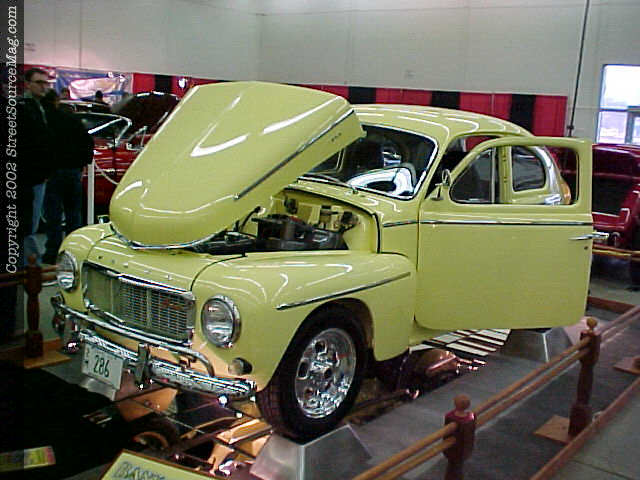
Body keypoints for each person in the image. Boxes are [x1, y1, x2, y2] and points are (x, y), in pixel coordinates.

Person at [41, 90, 94, 265]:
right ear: (57, 101)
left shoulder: (44, 120)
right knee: (73, 214)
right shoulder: (72, 119)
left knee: (53, 215)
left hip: (52, 172)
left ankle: (52, 251)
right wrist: (84, 163)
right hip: (73, 171)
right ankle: (73, 251)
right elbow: (88, 142)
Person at [22, 68, 52, 265]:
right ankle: (31, 266)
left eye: (46, 83)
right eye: (39, 82)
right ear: (28, 84)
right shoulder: (24, 109)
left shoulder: (40, 107)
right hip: (29, 176)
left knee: (31, 222)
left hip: (38, 175)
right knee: (28, 223)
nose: (43, 87)